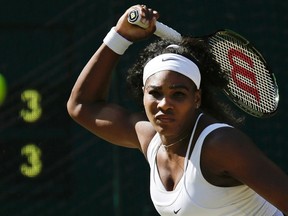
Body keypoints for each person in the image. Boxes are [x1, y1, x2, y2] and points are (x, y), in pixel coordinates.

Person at [67, 4, 288, 216]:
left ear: (197, 98)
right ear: (143, 94)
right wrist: (120, 36)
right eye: (155, 93)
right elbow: (81, 107)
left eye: (178, 94)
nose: (164, 103)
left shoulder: (220, 144)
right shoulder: (151, 139)